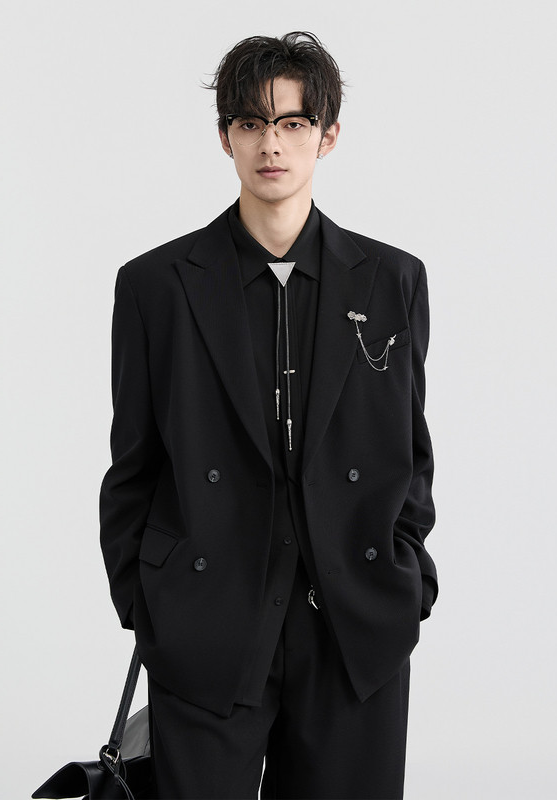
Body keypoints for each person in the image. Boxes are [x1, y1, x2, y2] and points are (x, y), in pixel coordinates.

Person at [99, 31, 438, 799]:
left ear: (328, 134)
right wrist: (149, 604)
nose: (271, 144)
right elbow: (133, 465)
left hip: (354, 629)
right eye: (251, 123)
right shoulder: (156, 286)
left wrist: (406, 582)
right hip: (206, 622)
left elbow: (410, 452)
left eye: (292, 123)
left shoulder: (392, 281)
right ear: (226, 137)